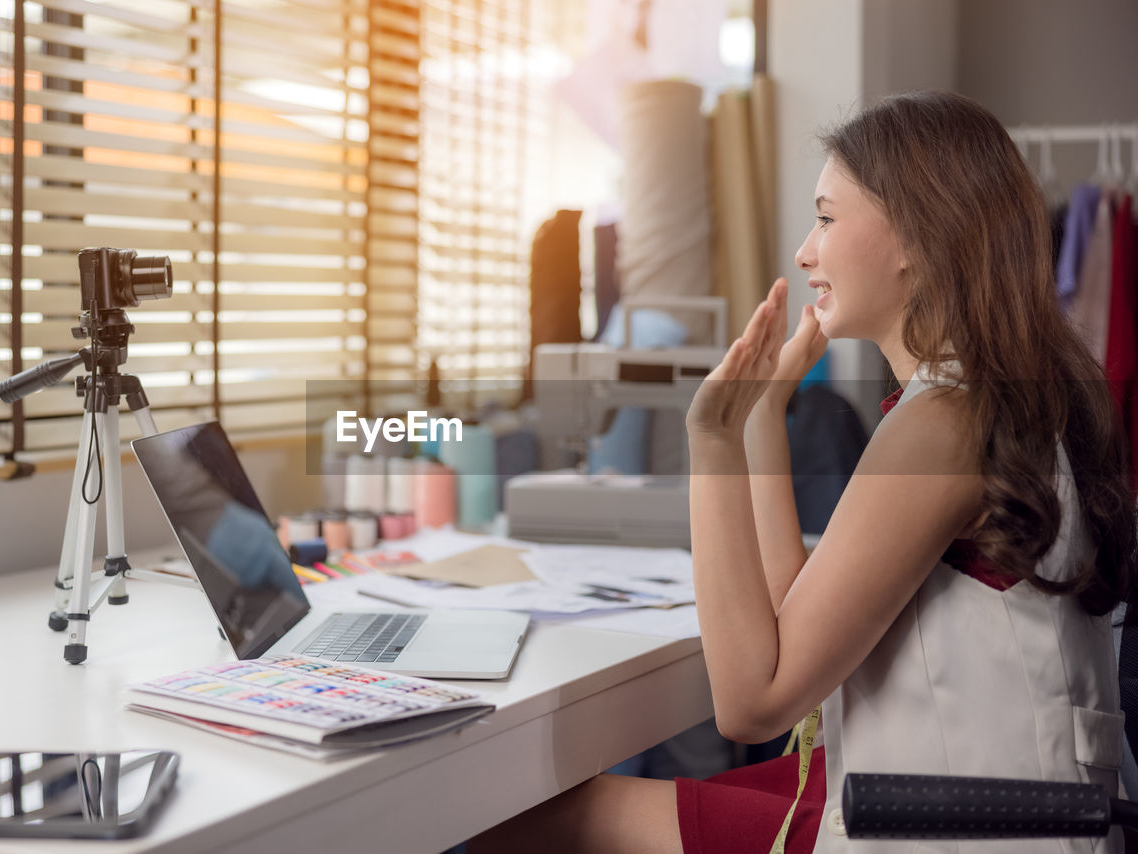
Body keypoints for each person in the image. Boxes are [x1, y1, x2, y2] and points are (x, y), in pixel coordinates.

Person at [471, 90, 1137, 853]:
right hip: (963, 800)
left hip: (954, 823)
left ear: (917, 235)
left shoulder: (944, 423)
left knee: (521, 826)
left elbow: (754, 704)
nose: (803, 251)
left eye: (825, 217)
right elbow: (796, 622)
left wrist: (711, 439)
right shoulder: (974, 400)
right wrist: (762, 418)